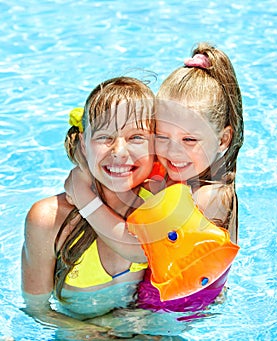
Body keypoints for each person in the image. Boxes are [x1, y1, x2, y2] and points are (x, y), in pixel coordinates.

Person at [66, 42, 244, 314]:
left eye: (189, 139)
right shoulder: (188, 175)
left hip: (171, 312)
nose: (172, 151)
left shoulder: (208, 197)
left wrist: (84, 197)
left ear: (223, 140)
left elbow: (137, 249)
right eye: (161, 135)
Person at [21, 76, 156, 330]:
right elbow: (36, 309)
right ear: (84, 145)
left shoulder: (161, 207)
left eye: (136, 137)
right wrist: (86, 333)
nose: (118, 151)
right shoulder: (48, 219)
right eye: (105, 137)